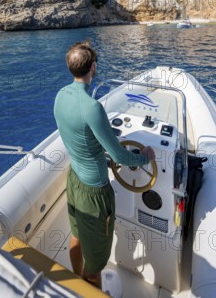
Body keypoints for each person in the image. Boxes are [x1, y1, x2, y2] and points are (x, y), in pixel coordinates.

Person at [54, 40, 155, 290]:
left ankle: (74, 284)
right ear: (93, 68)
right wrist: (145, 158)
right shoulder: (93, 108)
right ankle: (88, 291)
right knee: (97, 262)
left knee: (76, 237)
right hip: (95, 193)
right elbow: (121, 157)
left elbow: (83, 138)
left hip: (74, 180)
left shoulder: (60, 96)